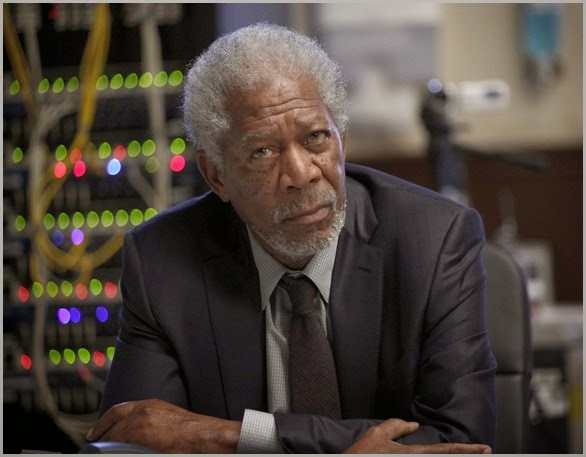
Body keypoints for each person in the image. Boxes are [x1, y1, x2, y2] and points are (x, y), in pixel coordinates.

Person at [87, 23, 496, 453]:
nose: (301, 174)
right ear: (216, 176)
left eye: (316, 137)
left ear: (341, 139)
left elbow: (462, 442)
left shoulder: (434, 239)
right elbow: (131, 440)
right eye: (262, 151)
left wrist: (227, 434)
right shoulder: (162, 260)